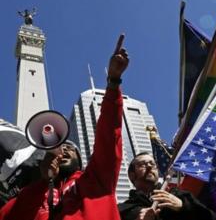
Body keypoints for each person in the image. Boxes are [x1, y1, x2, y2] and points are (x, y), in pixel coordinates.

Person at [0, 34, 129, 220]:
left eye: (70, 148)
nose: (63, 151)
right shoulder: (26, 198)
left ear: (81, 160)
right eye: (61, 148)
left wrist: (113, 83)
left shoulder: (96, 179)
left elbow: (108, 137)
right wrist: (43, 182)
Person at [118, 152, 216, 220]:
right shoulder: (123, 210)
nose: (149, 166)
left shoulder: (181, 196)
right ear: (132, 175)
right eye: (142, 164)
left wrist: (183, 206)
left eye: (152, 163)